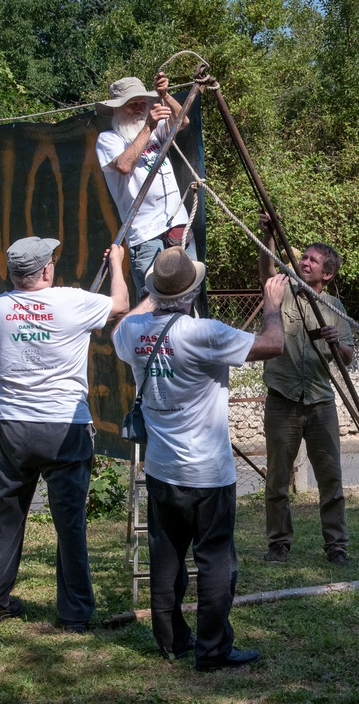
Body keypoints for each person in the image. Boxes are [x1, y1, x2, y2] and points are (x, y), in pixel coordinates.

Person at [113, 246, 287, 670]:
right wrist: (272, 306)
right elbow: (273, 344)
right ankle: (212, 649)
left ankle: (171, 640)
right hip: (208, 472)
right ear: (192, 292)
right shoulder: (203, 332)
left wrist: (150, 285)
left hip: (161, 468)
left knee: (166, 557)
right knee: (215, 561)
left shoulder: (133, 332)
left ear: (155, 290)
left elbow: (123, 319)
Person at [0, 237, 129, 631]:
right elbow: (121, 305)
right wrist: (118, 265)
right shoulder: (71, 301)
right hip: (65, 427)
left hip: (11, 427)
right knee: (69, 522)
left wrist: (4, 405)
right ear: (44, 270)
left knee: (3, 516)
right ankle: (74, 614)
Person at [257, 212, 354, 564]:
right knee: (277, 480)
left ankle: (336, 546)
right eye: (304, 257)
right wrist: (268, 236)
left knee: (330, 477)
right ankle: (278, 543)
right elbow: (267, 273)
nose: (304, 262)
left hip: (320, 402)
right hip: (282, 399)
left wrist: (335, 344)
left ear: (327, 273)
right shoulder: (283, 292)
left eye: (312, 260)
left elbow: (347, 357)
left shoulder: (335, 308)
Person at [96, 72, 196, 298]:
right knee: (152, 299)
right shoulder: (109, 139)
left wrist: (165, 96)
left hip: (177, 224)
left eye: (144, 101)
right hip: (145, 233)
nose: (141, 108)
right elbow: (123, 165)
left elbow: (184, 120)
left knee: (189, 291)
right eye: (133, 104)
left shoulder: (155, 130)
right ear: (117, 108)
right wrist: (149, 127)